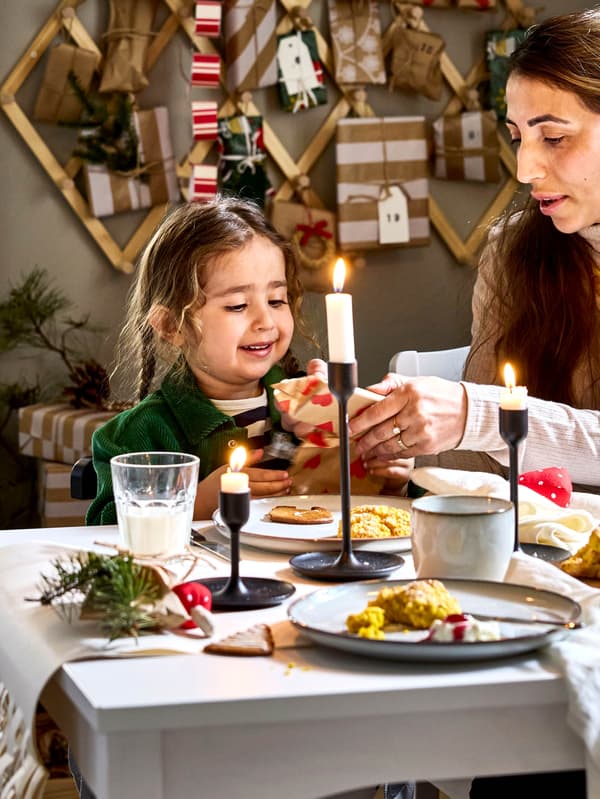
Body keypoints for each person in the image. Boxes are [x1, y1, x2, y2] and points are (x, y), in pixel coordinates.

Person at [347, 8, 600, 496]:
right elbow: (480, 466)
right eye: (517, 138)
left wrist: (476, 413)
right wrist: (393, 439)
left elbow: (481, 420)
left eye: (553, 137)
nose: (525, 169)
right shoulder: (513, 253)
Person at [86, 196, 315, 524]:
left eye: (277, 300)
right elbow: (105, 530)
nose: (266, 321)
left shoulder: (315, 406)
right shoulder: (136, 436)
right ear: (171, 326)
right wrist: (197, 503)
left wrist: (379, 470)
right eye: (237, 305)